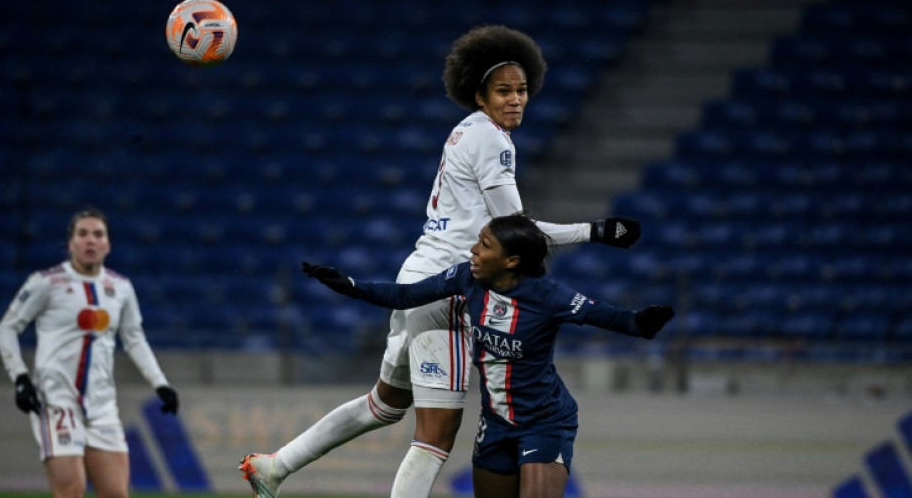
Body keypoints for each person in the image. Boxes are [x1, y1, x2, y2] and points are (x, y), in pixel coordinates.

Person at [239, 25, 641, 498]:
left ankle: (275, 466)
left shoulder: (466, 131)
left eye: (522, 90)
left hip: (420, 272)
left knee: (383, 405)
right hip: (448, 286)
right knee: (435, 435)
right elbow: (519, 230)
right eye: (504, 91)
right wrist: (596, 231)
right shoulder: (491, 140)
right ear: (480, 95)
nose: (516, 100)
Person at [302, 213, 674, 498]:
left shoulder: (549, 296)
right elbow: (405, 296)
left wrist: (642, 323)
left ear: (510, 261)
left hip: (543, 421)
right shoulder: (467, 278)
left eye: (484, 245)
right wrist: (350, 286)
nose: (473, 251)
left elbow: (605, 315)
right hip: (495, 423)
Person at [0, 208, 179, 498]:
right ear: (71, 244)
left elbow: (134, 338)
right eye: (83, 234)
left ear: (108, 244)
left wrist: (161, 384)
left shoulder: (120, 288)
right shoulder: (46, 282)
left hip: (102, 405)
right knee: (71, 490)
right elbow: (6, 328)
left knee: (116, 494)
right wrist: (20, 377)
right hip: (57, 401)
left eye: (98, 234)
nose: (90, 241)